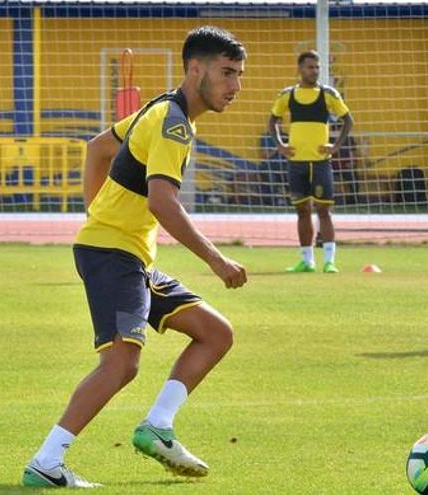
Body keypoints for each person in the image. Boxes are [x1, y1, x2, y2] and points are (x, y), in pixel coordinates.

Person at [22, 26, 247, 488]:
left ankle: (158, 427)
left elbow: (98, 147)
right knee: (122, 363)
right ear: (195, 68)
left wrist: (96, 212)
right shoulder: (174, 122)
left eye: (239, 75)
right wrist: (217, 261)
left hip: (128, 255)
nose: (235, 86)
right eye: (227, 73)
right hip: (114, 255)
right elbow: (162, 202)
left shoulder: (162, 108)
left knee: (214, 333)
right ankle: (47, 462)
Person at [268, 50, 354, 274]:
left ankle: (329, 261)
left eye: (317, 67)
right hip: (296, 162)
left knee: (324, 210)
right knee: (302, 210)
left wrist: (335, 146)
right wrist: (280, 145)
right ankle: (307, 261)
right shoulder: (288, 95)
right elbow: (273, 120)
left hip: (320, 162)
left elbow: (348, 120)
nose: (314, 71)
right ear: (300, 69)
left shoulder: (328, 94)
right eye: (310, 67)